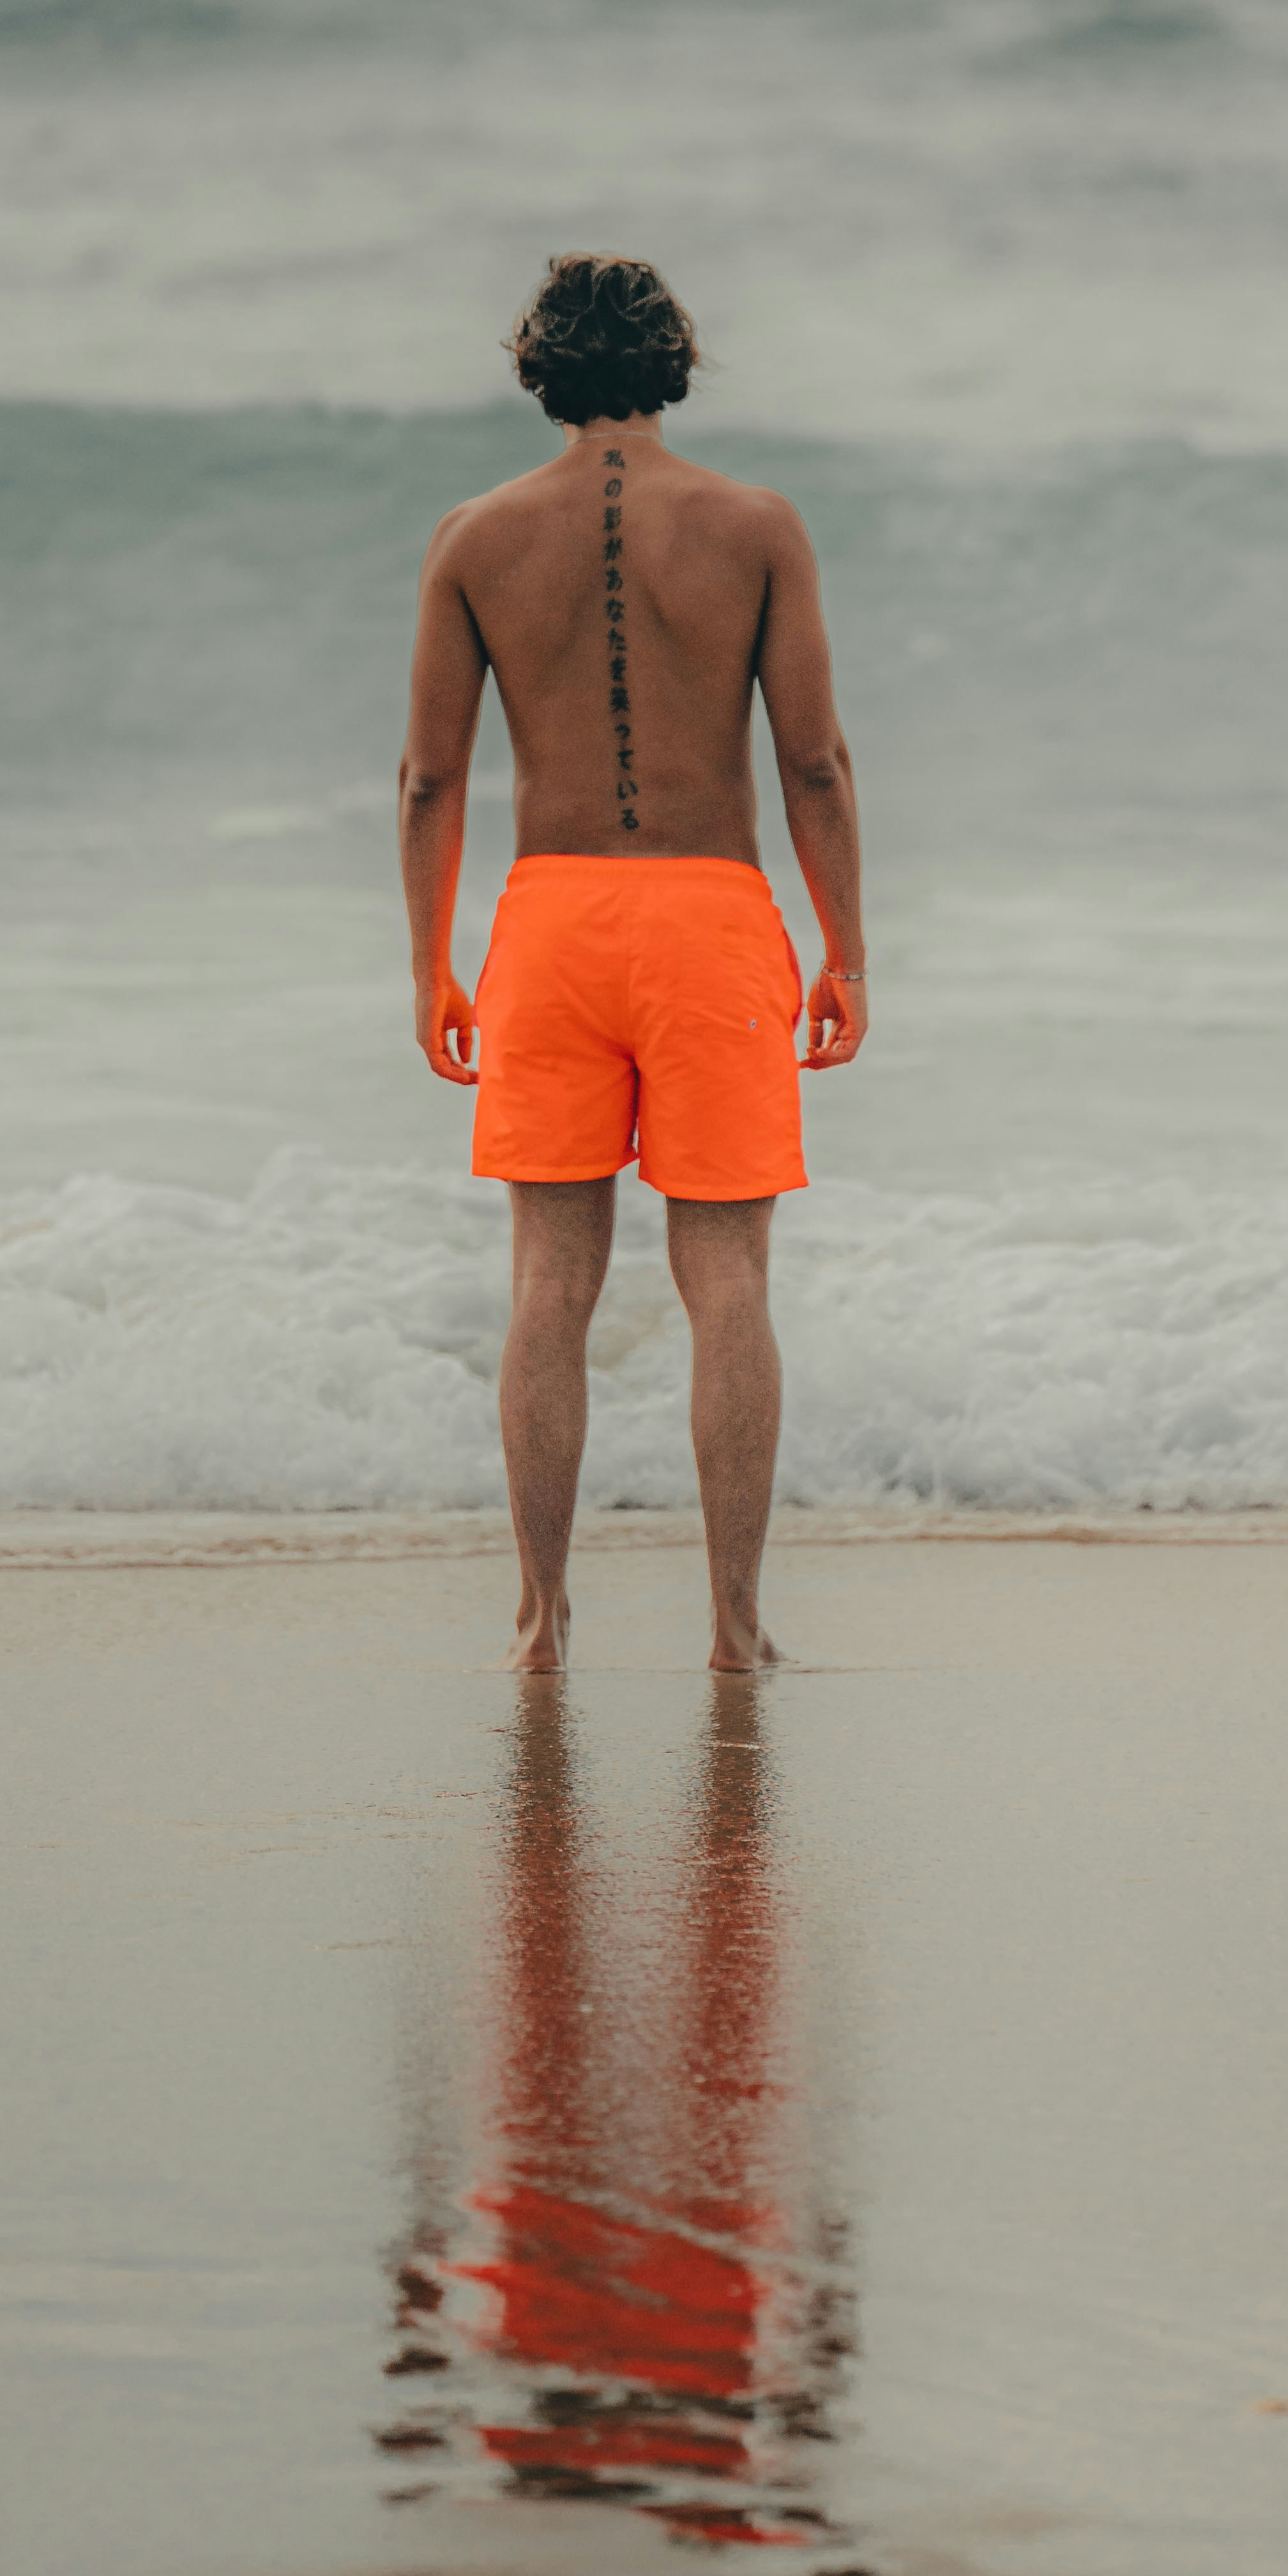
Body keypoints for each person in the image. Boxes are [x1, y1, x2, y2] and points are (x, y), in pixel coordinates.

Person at [397, 251, 868, 1676]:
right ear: (673, 364)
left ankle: (542, 1618)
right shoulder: (755, 526)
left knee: (550, 1281)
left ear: (539, 369)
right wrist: (846, 946)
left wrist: (433, 965)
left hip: (547, 925)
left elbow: (430, 778)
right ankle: (733, 1622)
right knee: (725, 1279)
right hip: (712, 920)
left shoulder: (474, 537)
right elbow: (814, 762)